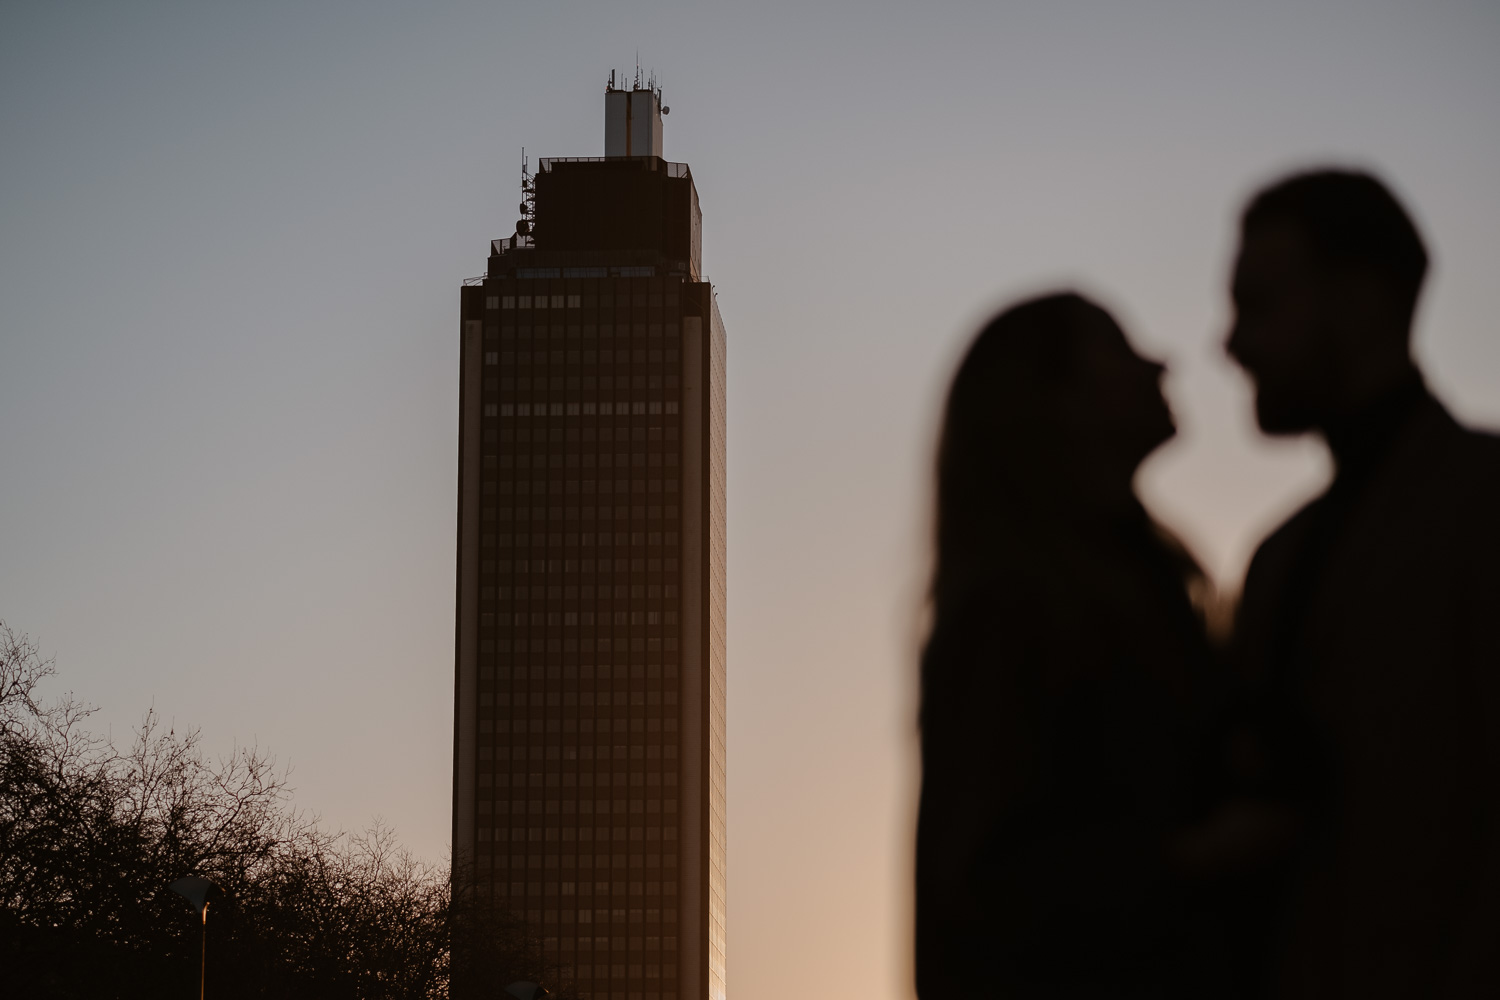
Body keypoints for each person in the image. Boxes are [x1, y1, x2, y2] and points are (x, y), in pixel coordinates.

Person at [1225, 169, 1500, 997]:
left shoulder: (1486, 503)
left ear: (1360, 302)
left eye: (1259, 305)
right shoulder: (1276, 557)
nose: (1230, 342)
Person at [915, 293, 1227, 998]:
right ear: (1052, 405)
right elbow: (992, 886)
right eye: (1116, 349)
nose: (1159, 362)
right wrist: (1203, 857)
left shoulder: (1141, 587)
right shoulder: (1012, 612)